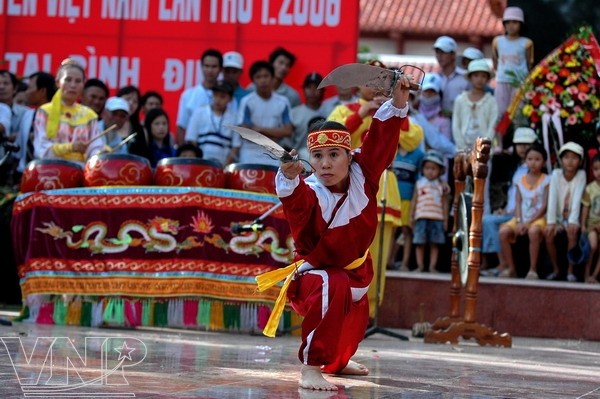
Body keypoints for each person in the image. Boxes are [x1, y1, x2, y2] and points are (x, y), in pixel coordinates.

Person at [255, 72, 413, 391]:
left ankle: (337, 361)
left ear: (348, 155)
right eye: (317, 157)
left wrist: (398, 102)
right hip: (315, 279)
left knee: (353, 325)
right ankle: (311, 366)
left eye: (333, 155)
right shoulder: (310, 191)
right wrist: (288, 176)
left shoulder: (363, 174)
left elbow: (380, 140)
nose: (325, 164)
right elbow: (296, 203)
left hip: (357, 270)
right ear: (309, 160)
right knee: (333, 282)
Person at [481, 127, 538, 276]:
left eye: (527, 145)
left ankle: (504, 265)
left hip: (526, 214)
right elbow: (511, 193)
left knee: (493, 223)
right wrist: (503, 208)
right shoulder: (515, 166)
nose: (523, 148)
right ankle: (499, 263)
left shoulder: (536, 168)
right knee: (487, 219)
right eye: (520, 145)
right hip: (511, 212)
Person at [33, 59, 103, 163]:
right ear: (58, 82)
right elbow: (41, 149)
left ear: (83, 84)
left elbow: (95, 147)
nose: (73, 85)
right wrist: (70, 147)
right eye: (68, 80)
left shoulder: (90, 115)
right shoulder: (45, 111)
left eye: (78, 81)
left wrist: (100, 153)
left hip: (80, 171)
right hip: (51, 169)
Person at [497, 144, 550, 279]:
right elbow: (518, 202)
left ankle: (533, 269)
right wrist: (520, 221)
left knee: (533, 231)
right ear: (525, 160)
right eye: (530, 159)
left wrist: (529, 222)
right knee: (503, 232)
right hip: (521, 218)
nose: (533, 163)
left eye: (537, 159)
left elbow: (544, 205)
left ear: (544, 161)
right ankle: (511, 268)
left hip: (538, 218)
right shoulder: (519, 180)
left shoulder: (547, 180)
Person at [237, 60, 293, 167]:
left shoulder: (283, 101)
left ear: (272, 78)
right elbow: (245, 132)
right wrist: (275, 134)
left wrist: (259, 129)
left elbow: (288, 131)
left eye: (266, 76)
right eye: (258, 77)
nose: (262, 80)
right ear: (253, 81)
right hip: (250, 152)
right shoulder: (247, 101)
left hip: (274, 153)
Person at [545, 142, 586, 282]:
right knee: (549, 234)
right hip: (557, 217)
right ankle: (556, 269)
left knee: (572, 233)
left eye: (575, 158)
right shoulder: (556, 174)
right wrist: (551, 222)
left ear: (580, 161)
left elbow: (577, 199)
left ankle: (570, 270)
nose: (570, 161)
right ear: (561, 160)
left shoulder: (581, 175)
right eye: (566, 157)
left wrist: (573, 222)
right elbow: (552, 198)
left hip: (572, 217)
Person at [387, 126, 425, 270]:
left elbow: (420, 180)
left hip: (408, 198)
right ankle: (387, 261)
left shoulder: (418, 155)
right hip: (391, 197)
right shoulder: (392, 150)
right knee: (391, 230)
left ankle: (404, 263)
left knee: (406, 231)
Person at [410, 150, 449, 273]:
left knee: (434, 243)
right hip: (421, 217)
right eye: (427, 168)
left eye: (433, 169)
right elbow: (414, 201)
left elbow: (444, 203)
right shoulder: (419, 184)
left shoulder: (442, 186)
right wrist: (412, 216)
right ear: (423, 169)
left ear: (440, 171)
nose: (430, 171)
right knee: (419, 243)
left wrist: (446, 220)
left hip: (437, 218)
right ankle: (420, 265)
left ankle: (432, 266)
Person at [186, 80, 240, 166]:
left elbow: (236, 146)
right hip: (201, 163)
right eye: (215, 95)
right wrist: (199, 161)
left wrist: (225, 165)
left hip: (223, 165)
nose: (218, 100)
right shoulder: (199, 113)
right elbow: (192, 140)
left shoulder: (235, 118)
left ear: (230, 99)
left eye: (222, 97)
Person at [492, 6, 534, 117]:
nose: (511, 26)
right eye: (508, 22)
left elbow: (529, 62)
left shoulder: (526, 43)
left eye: (515, 22)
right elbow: (495, 59)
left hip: (519, 82)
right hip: (502, 81)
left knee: (518, 114)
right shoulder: (497, 41)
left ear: (521, 24)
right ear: (504, 24)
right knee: (500, 112)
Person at [176, 49, 223, 145]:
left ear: (220, 69)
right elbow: (181, 127)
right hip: (194, 150)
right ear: (201, 67)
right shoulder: (188, 95)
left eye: (214, 66)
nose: (210, 70)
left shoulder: (228, 97)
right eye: (207, 66)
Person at [16, 72, 57, 175]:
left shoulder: (61, 117)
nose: (26, 92)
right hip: (25, 174)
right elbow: (19, 149)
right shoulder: (27, 115)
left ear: (42, 91)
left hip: (51, 174)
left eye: (29, 88)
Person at [287, 72, 325, 159]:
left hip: (323, 158)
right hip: (298, 159)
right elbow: (287, 141)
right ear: (303, 89)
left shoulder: (328, 110)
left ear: (322, 91)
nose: (312, 91)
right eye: (309, 87)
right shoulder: (294, 113)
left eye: (317, 87)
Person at [432, 36, 470, 119]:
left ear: (453, 54)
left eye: (443, 52)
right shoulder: (433, 79)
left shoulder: (466, 78)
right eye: (437, 52)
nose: (439, 55)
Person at [582, 153, 600, 284]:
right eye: (596, 169)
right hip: (592, 225)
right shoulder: (590, 188)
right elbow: (586, 208)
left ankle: (595, 275)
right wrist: (583, 225)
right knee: (593, 246)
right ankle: (586, 272)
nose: (599, 172)